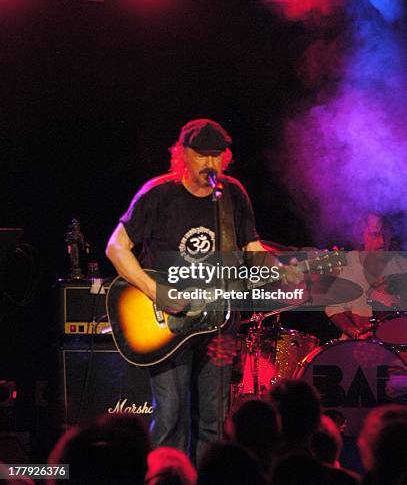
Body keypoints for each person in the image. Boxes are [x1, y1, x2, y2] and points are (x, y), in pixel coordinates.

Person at [106, 119, 300, 462]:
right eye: (201, 155)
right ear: (182, 154)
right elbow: (116, 248)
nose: (209, 163)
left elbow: (251, 246)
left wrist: (282, 270)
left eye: (216, 155)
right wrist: (155, 290)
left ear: (226, 158)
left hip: (219, 322)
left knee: (214, 420)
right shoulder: (158, 194)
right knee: (170, 417)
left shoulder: (233, 195)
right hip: (167, 324)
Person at [325, 213, 404, 339]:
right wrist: (356, 333)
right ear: (361, 236)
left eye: (385, 235)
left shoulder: (401, 266)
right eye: (375, 235)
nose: (382, 241)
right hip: (354, 347)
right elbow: (334, 309)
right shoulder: (346, 264)